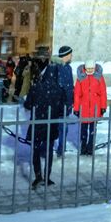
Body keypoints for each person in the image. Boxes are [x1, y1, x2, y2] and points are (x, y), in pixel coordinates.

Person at [23, 45, 75, 188]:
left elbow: (27, 105)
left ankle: (38, 176)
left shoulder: (36, 87)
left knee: (35, 149)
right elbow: (60, 110)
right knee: (49, 149)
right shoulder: (58, 90)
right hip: (50, 123)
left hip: (38, 122)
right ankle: (47, 177)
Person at [73, 61, 108, 156]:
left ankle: (90, 147)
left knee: (92, 130)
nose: (90, 70)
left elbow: (103, 93)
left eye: (91, 69)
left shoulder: (99, 77)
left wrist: (103, 107)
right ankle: (83, 147)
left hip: (95, 108)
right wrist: (76, 108)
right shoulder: (80, 77)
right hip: (83, 108)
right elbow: (77, 94)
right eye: (88, 69)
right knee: (83, 131)